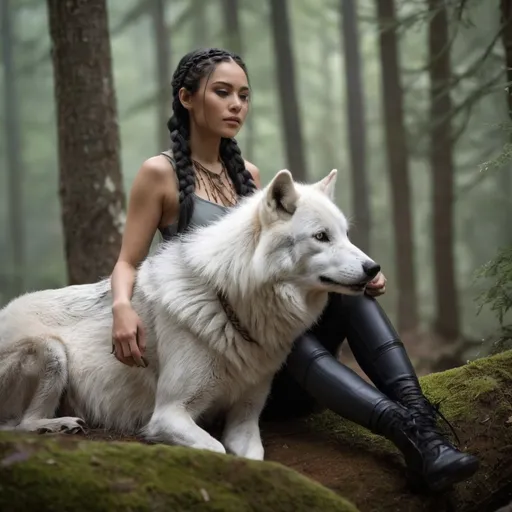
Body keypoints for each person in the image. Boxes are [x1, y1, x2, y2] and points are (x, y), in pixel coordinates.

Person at [110, 47, 479, 492]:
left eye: (244, 96)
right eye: (222, 92)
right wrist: (122, 307)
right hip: (216, 341)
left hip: (270, 340)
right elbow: (128, 261)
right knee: (298, 342)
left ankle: (423, 431)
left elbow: (293, 259)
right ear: (187, 98)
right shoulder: (159, 173)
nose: (236, 105)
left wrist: (358, 274)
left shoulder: (247, 173)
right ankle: (407, 433)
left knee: (354, 303)